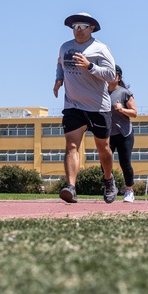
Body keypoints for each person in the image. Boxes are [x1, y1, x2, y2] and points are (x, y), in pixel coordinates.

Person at [53, 13, 117, 203]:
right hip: (73, 105)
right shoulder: (65, 47)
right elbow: (60, 64)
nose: (78, 29)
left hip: (98, 107)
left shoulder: (100, 48)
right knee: (72, 146)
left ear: (92, 28)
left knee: (103, 148)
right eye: (75, 26)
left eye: (82, 25)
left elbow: (111, 74)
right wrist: (58, 80)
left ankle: (108, 180)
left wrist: (90, 66)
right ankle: (71, 187)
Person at [108, 65, 138, 203]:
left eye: (112, 74)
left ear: (118, 77)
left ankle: (129, 191)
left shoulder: (125, 93)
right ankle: (110, 185)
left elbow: (134, 113)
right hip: (107, 133)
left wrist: (122, 110)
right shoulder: (101, 93)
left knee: (125, 163)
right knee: (105, 162)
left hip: (124, 133)